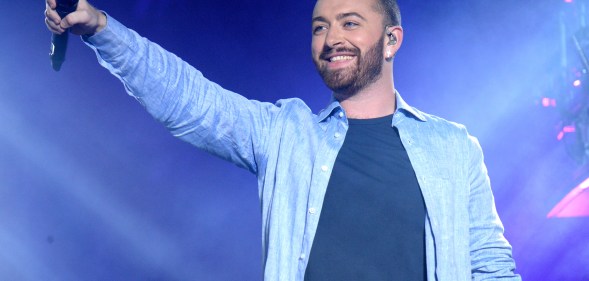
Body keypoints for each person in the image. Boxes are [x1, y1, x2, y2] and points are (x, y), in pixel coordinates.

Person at [45, 0, 522, 280]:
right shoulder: (286, 133)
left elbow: (491, 267)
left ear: (392, 40)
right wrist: (103, 30)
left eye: (350, 22)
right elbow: (192, 100)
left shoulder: (453, 147)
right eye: (320, 27)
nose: (330, 37)